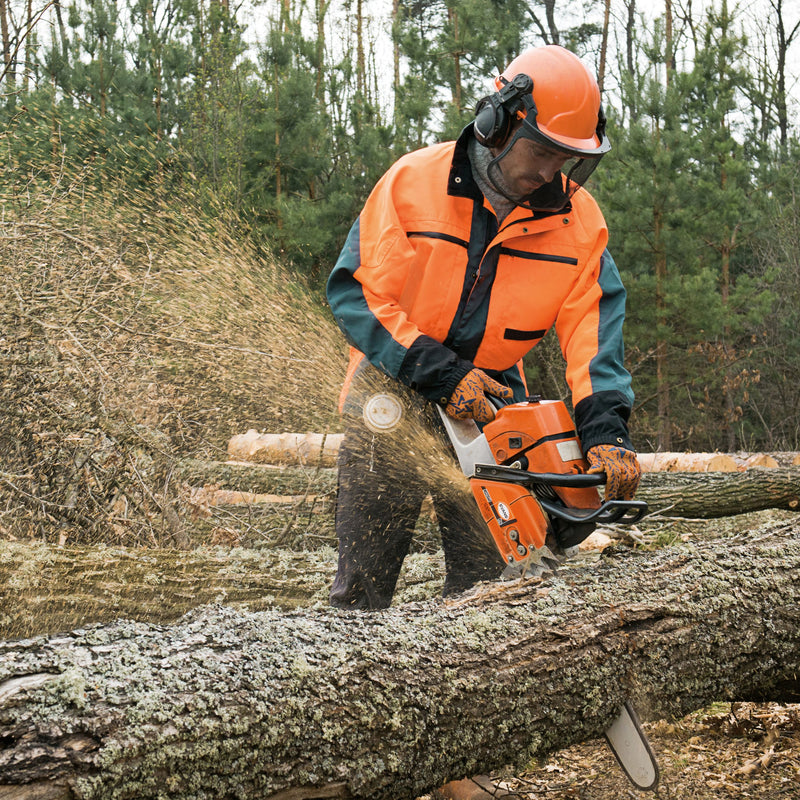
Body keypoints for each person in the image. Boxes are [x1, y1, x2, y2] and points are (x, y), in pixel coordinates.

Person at [326, 44, 641, 612]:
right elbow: (356, 292)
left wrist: (606, 432)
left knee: (493, 596)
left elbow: (594, 338)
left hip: (493, 401)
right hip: (394, 385)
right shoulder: (413, 183)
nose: (550, 171)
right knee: (362, 593)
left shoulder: (577, 224)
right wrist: (439, 372)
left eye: (566, 157)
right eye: (543, 151)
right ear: (499, 121)